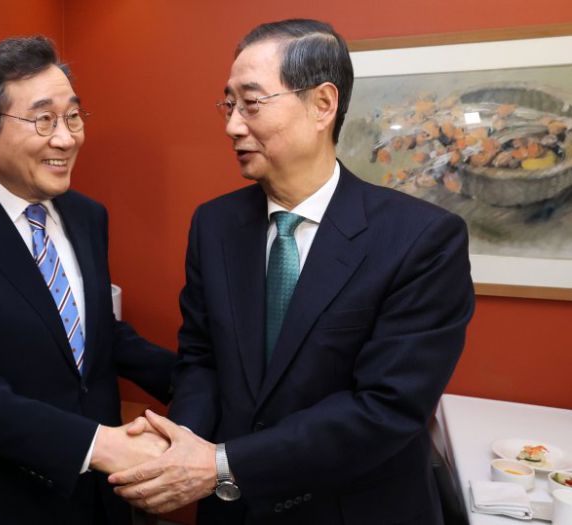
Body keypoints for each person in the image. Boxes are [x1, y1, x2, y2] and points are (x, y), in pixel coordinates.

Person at [109, 19, 475, 525]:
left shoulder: (421, 239)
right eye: (229, 105)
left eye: (251, 103)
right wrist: (183, 442)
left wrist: (221, 464)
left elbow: (386, 408)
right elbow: (202, 359)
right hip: (232, 510)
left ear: (322, 104)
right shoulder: (215, 225)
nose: (232, 126)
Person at [0, 35, 176, 524]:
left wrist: (199, 383)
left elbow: (94, 334)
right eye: (44, 120)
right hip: (0, 501)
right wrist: (99, 445)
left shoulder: (88, 216)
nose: (65, 138)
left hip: (100, 496)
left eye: (73, 117)